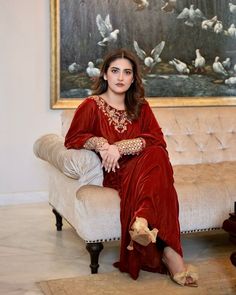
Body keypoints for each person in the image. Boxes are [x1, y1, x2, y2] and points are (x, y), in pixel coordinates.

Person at [64, 48, 198, 286]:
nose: (120, 77)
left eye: (127, 72)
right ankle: (171, 255)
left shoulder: (140, 106)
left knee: (156, 155)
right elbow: (74, 137)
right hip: (119, 172)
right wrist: (104, 145)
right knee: (158, 165)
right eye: (115, 71)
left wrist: (121, 146)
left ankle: (145, 225)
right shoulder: (91, 105)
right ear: (105, 74)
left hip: (146, 166)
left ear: (133, 78)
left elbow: (157, 140)